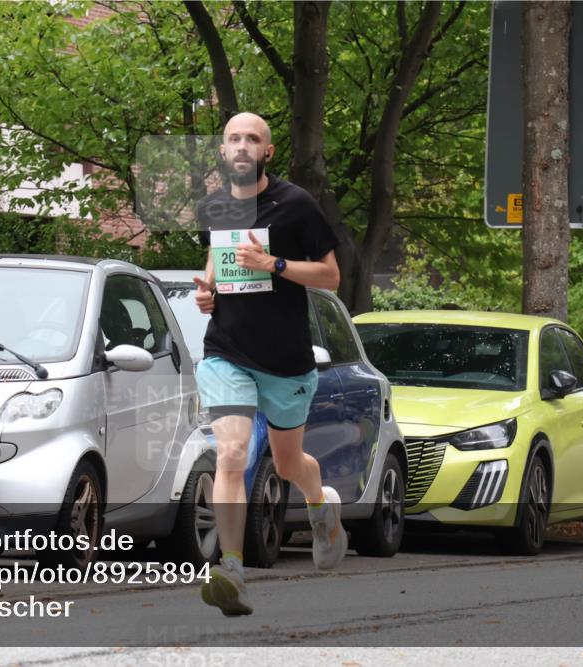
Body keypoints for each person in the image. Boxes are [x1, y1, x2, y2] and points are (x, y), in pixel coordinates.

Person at [194, 112, 344, 617]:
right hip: (227, 352)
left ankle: (321, 506)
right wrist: (208, 290)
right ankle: (232, 571)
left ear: (267, 152)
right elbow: (218, 258)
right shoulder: (214, 206)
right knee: (232, 454)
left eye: (252, 139)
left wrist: (274, 264)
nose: (242, 146)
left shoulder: (295, 205)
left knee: (287, 464)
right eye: (234, 138)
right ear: (222, 151)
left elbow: (330, 276)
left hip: (285, 360)